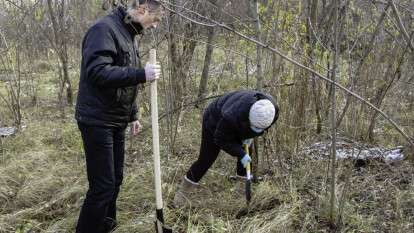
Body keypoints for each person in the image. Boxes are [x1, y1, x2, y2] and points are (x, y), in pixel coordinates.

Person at [75, 1, 163, 232]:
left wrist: (133, 114)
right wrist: (141, 74)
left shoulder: (128, 35)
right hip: (96, 119)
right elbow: (97, 72)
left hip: (116, 118)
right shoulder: (103, 30)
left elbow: (124, 82)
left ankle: (106, 225)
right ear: (143, 9)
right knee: (102, 186)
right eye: (155, 20)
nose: (154, 27)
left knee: (115, 180)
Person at [173, 90, 279, 207]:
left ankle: (241, 191)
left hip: (240, 123)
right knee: (206, 159)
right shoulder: (230, 116)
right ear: (248, 118)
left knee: (246, 155)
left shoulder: (272, 109)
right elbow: (221, 139)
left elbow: (261, 127)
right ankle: (182, 194)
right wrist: (240, 153)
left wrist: (249, 136)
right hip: (214, 119)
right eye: (254, 128)